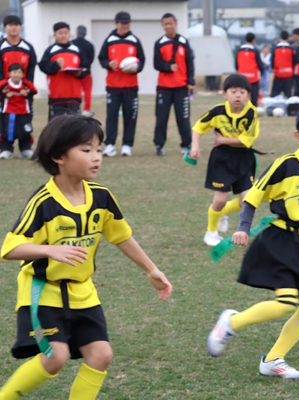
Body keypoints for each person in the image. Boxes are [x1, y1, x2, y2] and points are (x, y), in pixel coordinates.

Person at [0, 114, 172, 400]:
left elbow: (121, 235)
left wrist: (151, 270)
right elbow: (9, 248)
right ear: (58, 156)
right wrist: (49, 249)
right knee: (56, 357)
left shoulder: (102, 197)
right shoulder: (44, 202)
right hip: (43, 292)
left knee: (101, 355)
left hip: (83, 292)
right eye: (86, 150)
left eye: (99, 150)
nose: (96, 158)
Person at [206, 99, 299, 379]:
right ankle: (231, 322)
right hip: (279, 238)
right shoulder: (286, 165)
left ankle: (273, 360)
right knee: (286, 302)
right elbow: (253, 196)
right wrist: (244, 227)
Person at [189, 74, 259, 247]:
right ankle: (210, 232)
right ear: (225, 94)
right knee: (219, 200)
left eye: (242, 92)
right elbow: (198, 127)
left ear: (248, 96)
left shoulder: (251, 113)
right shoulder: (217, 111)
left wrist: (223, 139)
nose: (238, 95)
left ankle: (223, 212)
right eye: (233, 91)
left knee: (247, 200)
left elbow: (246, 140)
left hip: (244, 157)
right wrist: (195, 146)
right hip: (222, 158)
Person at [98, 11, 145, 157]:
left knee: (130, 116)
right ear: (115, 23)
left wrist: (136, 67)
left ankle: (127, 145)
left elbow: (142, 61)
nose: (124, 26)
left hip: (131, 86)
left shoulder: (134, 40)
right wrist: (108, 64)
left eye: (127, 23)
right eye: (121, 23)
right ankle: (110, 145)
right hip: (113, 86)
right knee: (111, 116)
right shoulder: (109, 40)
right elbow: (101, 58)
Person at [153, 12, 195, 157]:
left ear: (175, 23)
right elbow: (156, 63)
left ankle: (186, 144)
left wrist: (191, 81)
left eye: (171, 23)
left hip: (181, 87)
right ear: (162, 25)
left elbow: (190, 63)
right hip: (164, 88)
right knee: (161, 118)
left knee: (183, 118)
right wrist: (167, 66)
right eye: (165, 24)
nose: (168, 26)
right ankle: (159, 145)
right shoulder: (159, 43)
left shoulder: (184, 42)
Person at [38, 22, 87, 120]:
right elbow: (43, 67)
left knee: (74, 128)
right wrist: (55, 64)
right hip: (56, 97)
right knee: (55, 129)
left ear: (70, 35)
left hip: (74, 97)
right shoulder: (50, 50)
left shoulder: (77, 50)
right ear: (55, 35)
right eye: (60, 33)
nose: (63, 35)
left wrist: (80, 73)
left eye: (66, 33)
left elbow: (86, 68)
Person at [0, 63, 36, 160]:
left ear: (23, 74)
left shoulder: (26, 84)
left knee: (25, 131)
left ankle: (25, 149)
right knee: (8, 132)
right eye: (14, 72)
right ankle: (6, 150)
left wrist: (27, 95)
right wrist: (4, 95)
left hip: (24, 112)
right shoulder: (4, 84)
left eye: (19, 72)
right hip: (9, 112)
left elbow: (33, 92)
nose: (17, 74)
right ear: (9, 73)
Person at [0, 15, 36, 83]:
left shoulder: (28, 47)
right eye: (10, 25)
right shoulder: (1, 46)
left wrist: (28, 87)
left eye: (16, 25)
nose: (14, 27)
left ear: (20, 27)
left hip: (23, 90)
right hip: (4, 89)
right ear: (5, 27)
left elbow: (31, 69)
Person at [71, 26, 95, 118]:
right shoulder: (89, 45)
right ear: (86, 33)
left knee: (75, 91)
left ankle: (75, 108)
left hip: (75, 71)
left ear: (76, 32)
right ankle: (86, 109)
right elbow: (91, 59)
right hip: (87, 71)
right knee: (87, 91)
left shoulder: (72, 43)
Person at [235, 32, 264, 107]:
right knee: (254, 95)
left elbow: (236, 64)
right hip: (253, 77)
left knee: (242, 94)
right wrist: (262, 72)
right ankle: (253, 109)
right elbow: (259, 64)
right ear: (253, 40)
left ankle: (241, 108)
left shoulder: (239, 50)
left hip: (242, 77)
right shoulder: (255, 50)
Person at [270, 30, 294, 98]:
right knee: (288, 96)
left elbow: (272, 62)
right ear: (288, 38)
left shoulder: (275, 49)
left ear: (280, 38)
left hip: (278, 75)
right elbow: (294, 61)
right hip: (288, 76)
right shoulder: (291, 49)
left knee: (274, 96)